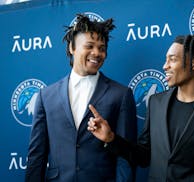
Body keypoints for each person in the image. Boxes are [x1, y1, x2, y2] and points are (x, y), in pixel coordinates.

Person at [87, 34, 194, 181]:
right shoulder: (156, 103)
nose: (165, 66)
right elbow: (144, 156)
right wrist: (111, 139)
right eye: (165, 60)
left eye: (172, 60)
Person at [25, 14, 137, 182]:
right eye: (89, 46)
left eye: (102, 48)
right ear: (72, 47)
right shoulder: (46, 96)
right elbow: (36, 155)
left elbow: (126, 157)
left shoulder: (121, 95)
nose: (97, 53)